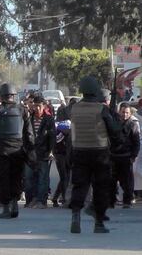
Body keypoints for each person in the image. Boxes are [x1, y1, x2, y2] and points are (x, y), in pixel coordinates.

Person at [69, 76, 120, 234]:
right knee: (101, 188)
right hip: (99, 153)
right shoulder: (101, 109)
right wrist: (114, 116)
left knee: (79, 186)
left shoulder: (74, 108)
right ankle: (98, 223)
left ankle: (75, 217)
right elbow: (115, 132)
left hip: (79, 151)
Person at [0, 83, 35, 219]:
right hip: (18, 149)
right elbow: (29, 134)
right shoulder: (22, 110)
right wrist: (31, 150)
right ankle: (14, 204)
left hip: (1, 149)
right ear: (13, 95)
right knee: (16, 178)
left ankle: (6, 208)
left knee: (2, 179)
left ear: (1, 96)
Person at [24, 96, 56, 208]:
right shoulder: (29, 118)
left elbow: (52, 137)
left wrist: (51, 151)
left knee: (43, 178)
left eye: (39, 106)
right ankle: (30, 200)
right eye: (35, 105)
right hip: (30, 153)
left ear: (44, 106)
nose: (37, 108)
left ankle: (41, 201)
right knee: (28, 178)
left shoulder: (49, 119)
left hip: (43, 152)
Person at [110, 102, 140, 208]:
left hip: (126, 157)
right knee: (112, 181)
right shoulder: (114, 123)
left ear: (130, 113)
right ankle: (111, 201)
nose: (125, 115)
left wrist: (133, 156)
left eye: (127, 113)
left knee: (127, 182)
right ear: (119, 112)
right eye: (123, 112)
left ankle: (127, 201)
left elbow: (136, 142)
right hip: (113, 156)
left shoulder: (133, 124)